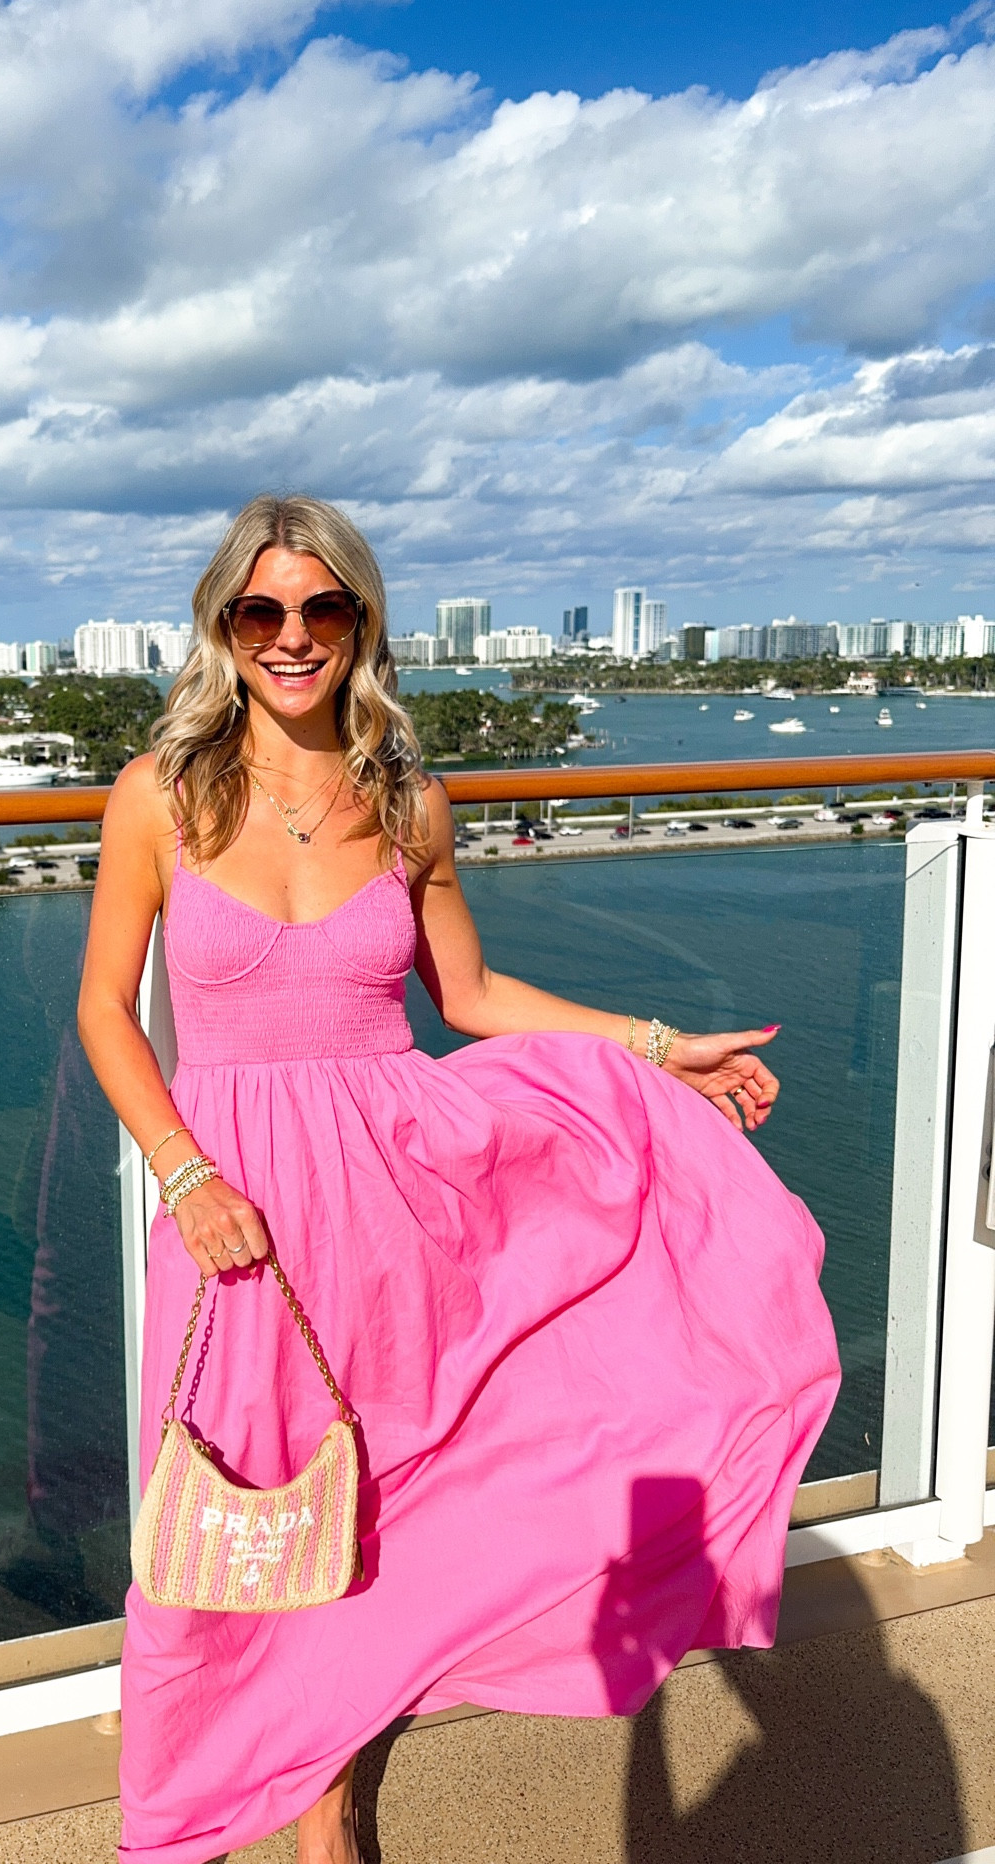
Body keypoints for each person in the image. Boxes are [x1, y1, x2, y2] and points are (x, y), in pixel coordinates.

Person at [77, 495, 840, 1864]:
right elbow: (105, 1017)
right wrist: (187, 1177)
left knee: (391, 1523)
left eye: (323, 610)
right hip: (238, 1215)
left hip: (399, 1210)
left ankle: (335, 1823)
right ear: (224, 628)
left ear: (361, 624)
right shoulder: (162, 795)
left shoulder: (408, 799)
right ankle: (216, 1806)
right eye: (263, 612)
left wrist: (664, 1051)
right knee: (240, 1518)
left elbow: (474, 997)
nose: (293, 637)